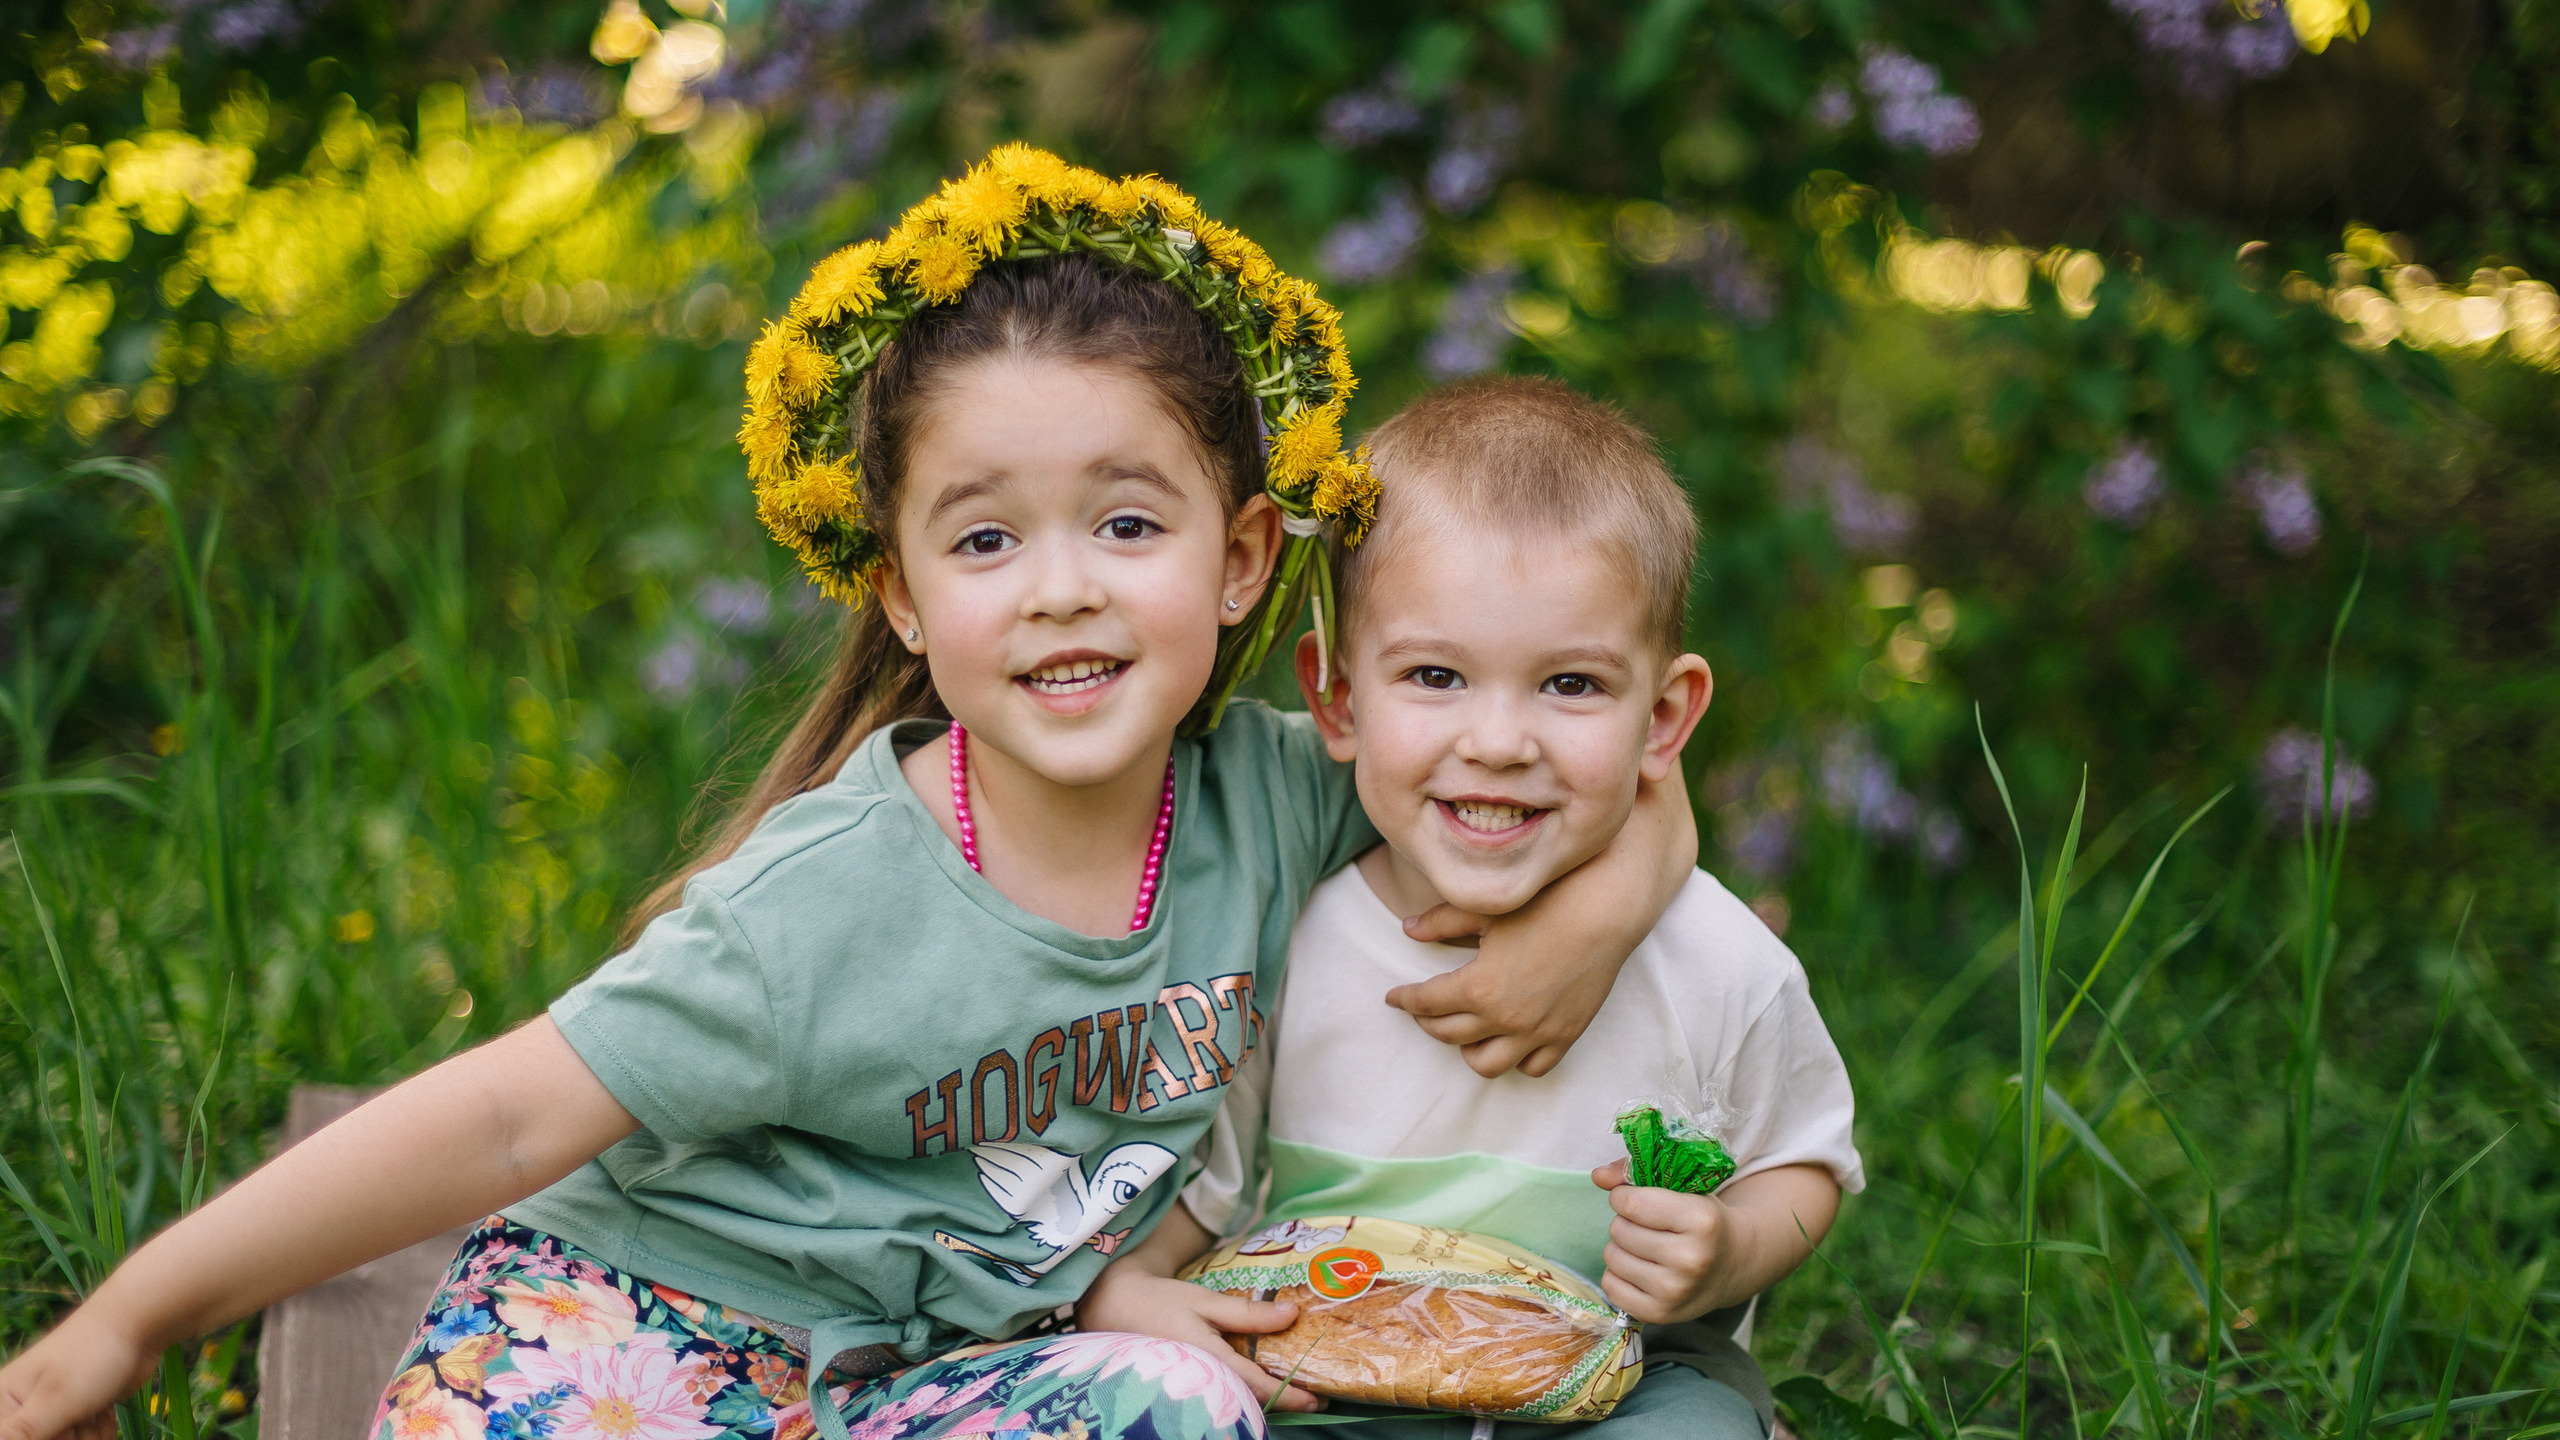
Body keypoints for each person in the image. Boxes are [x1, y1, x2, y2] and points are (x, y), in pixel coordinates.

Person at [0, 156, 1702, 1440]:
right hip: (629, 1354)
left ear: (1246, 555)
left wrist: (1606, 914)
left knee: (1184, 1406)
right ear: (899, 595)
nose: (1061, 590)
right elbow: (505, 1122)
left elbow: (1601, 771)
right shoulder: (827, 900)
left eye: (1127, 523)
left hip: (916, 1386)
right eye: (984, 539)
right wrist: (127, 1324)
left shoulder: (1277, 792)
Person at [1079, 378, 1864, 1438]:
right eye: (1437, 675)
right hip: (1336, 1366)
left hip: (1627, 1374)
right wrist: (1124, 1290)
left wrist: (1729, 1248)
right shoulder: (1291, 936)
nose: (1498, 740)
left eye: (1571, 686)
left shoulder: (1717, 959)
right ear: (1338, 700)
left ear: (1663, 717)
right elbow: (1208, 1185)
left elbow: (1804, 1162)